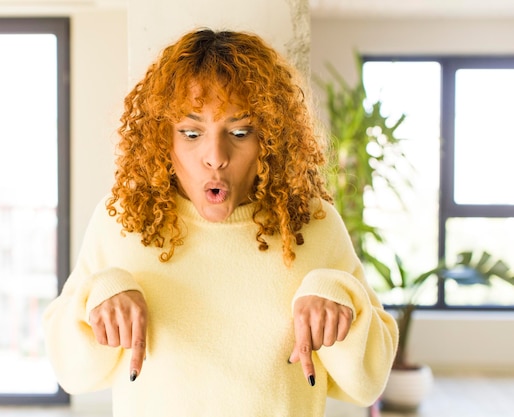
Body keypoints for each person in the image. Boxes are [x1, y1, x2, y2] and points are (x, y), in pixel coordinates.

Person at [43, 28, 398, 417]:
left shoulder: (312, 224)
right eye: (191, 132)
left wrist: (337, 295)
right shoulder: (124, 221)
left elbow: (367, 384)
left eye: (240, 132)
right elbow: (71, 374)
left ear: (270, 138)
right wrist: (99, 297)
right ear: (164, 139)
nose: (215, 156)